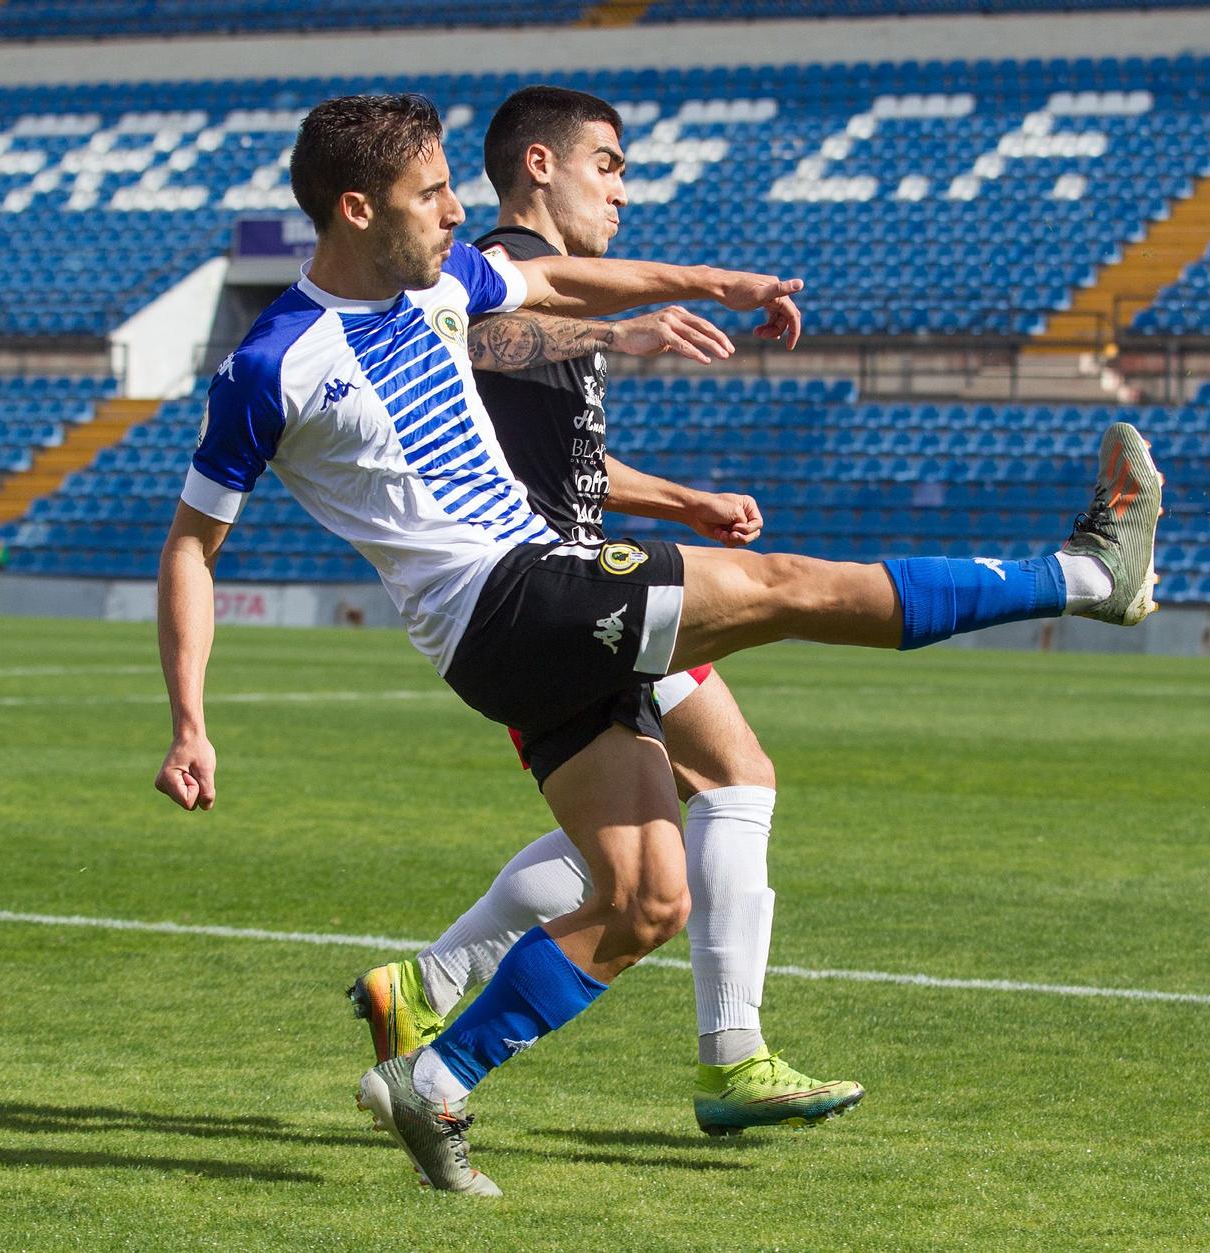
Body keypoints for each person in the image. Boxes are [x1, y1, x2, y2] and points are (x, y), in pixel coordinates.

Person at [152, 93, 1162, 1197]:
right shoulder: (270, 364)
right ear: (355, 208)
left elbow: (551, 284)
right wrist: (191, 722)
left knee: (643, 898)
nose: (454, 212)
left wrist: (708, 283)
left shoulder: (439, 284)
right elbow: (193, 546)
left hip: (519, 628)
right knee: (785, 588)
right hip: (512, 597)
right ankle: (1084, 576)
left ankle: (434, 1074)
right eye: (430, 193)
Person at [347, 84, 859, 1139]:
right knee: (730, 779)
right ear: (539, 165)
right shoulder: (488, 275)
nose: (621, 190)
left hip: (575, 570)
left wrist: (686, 498)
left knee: (640, 830)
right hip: (561, 591)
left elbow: (561, 465)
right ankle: (731, 1053)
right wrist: (623, 331)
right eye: (608, 165)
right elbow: (470, 350)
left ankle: (428, 980)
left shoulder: (541, 295)